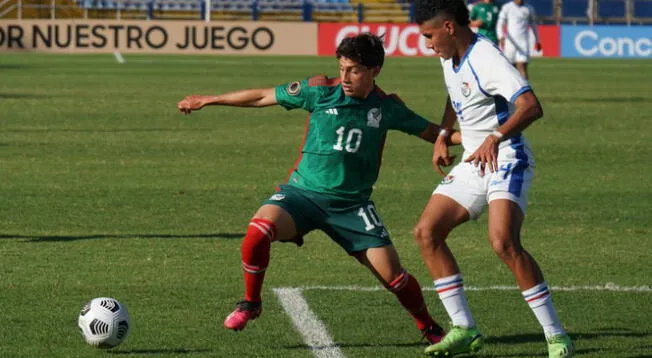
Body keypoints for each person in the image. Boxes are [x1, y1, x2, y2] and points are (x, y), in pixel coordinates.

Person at [177, 33, 462, 344]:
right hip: (302, 196)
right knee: (258, 230)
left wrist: (486, 138)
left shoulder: (387, 107)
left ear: (374, 71)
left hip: (352, 207)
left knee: (395, 278)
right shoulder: (319, 90)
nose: (345, 77)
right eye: (341, 68)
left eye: (354, 70)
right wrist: (209, 99)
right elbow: (262, 96)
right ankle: (251, 303)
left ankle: (429, 328)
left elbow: (434, 133)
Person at [413, 0, 574, 357]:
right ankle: (465, 329)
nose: (427, 43)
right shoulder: (448, 54)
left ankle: (556, 335)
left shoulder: (487, 57)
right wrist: (443, 133)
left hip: (507, 157)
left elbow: (531, 106)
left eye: (429, 35)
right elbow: (455, 95)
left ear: (449, 27)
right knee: (427, 233)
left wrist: (494, 137)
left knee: (502, 242)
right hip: (474, 160)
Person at [496, 0, 542, 79]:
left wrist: (537, 40)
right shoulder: (507, 7)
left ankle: (525, 89)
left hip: (523, 43)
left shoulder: (529, 9)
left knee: (522, 66)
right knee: (510, 68)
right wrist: (500, 37)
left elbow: (533, 25)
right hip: (510, 43)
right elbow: (500, 23)